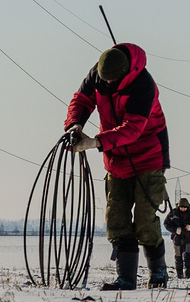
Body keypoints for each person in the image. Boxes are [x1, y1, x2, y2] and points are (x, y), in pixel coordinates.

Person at [64, 42, 171, 289]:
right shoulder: (99, 74)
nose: (107, 84)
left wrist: (94, 142)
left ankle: (158, 273)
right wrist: (75, 124)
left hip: (148, 156)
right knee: (116, 218)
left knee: (144, 220)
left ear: (124, 74)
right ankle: (126, 278)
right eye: (104, 80)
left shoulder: (144, 85)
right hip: (115, 159)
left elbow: (132, 129)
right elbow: (81, 100)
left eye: (112, 81)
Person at [164, 198, 190, 277]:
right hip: (177, 238)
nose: (183, 209)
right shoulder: (173, 213)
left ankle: (187, 275)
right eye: (181, 207)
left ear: (188, 207)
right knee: (178, 257)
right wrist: (175, 230)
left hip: (189, 238)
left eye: (185, 207)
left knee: (188, 257)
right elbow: (166, 224)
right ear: (178, 207)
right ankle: (180, 275)